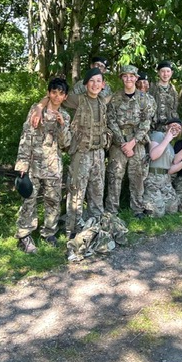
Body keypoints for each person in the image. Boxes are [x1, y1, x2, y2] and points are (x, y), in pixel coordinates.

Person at [14, 78, 71, 253]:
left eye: (61, 93)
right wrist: (22, 164)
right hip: (33, 164)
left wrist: (62, 126)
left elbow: (66, 144)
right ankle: (24, 235)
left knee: (53, 200)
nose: (56, 96)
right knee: (29, 200)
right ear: (48, 93)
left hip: (53, 166)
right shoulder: (36, 110)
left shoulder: (66, 116)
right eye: (53, 92)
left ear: (65, 97)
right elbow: (26, 137)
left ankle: (49, 232)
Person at [63, 68, 109, 238]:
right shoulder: (77, 100)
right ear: (85, 84)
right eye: (91, 81)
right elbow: (56, 97)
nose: (95, 84)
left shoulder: (103, 102)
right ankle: (73, 230)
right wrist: (38, 108)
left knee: (97, 191)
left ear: (103, 85)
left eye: (99, 81)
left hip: (98, 153)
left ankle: (95, 227)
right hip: (80, 154)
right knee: (76, 191)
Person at [106, 65, 156, 219]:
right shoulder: (114, 98)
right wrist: (123, 143)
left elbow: (146, 123)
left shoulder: (146, 99)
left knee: (138, 176)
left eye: (131, 76)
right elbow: (111, 120)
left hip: (137, 142)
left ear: (136, 78)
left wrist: (132, 143)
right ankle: (111, 211)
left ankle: (137, 209)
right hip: (118, 142)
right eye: (125, 76)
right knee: (115, 176)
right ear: (122, 78)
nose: (128, 79)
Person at [142, 118, 182, 217]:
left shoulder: (171, 146)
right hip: (153, 178)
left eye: (179, 128)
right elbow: (154, 155)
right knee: (158, 214)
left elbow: (170, 169)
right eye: (173, 126)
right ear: (166, 127)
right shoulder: (158, 135)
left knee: (172, 210)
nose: (176, 129)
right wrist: (167, 139)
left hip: (165, 180)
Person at [150, 60, 179, 132]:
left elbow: (174, 110)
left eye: (168, 71)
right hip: (153, 127)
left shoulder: (173, 90)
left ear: (171, 73)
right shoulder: (152, 87)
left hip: (169, 127)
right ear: (158, 72)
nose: (165, 74)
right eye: (162, 71)